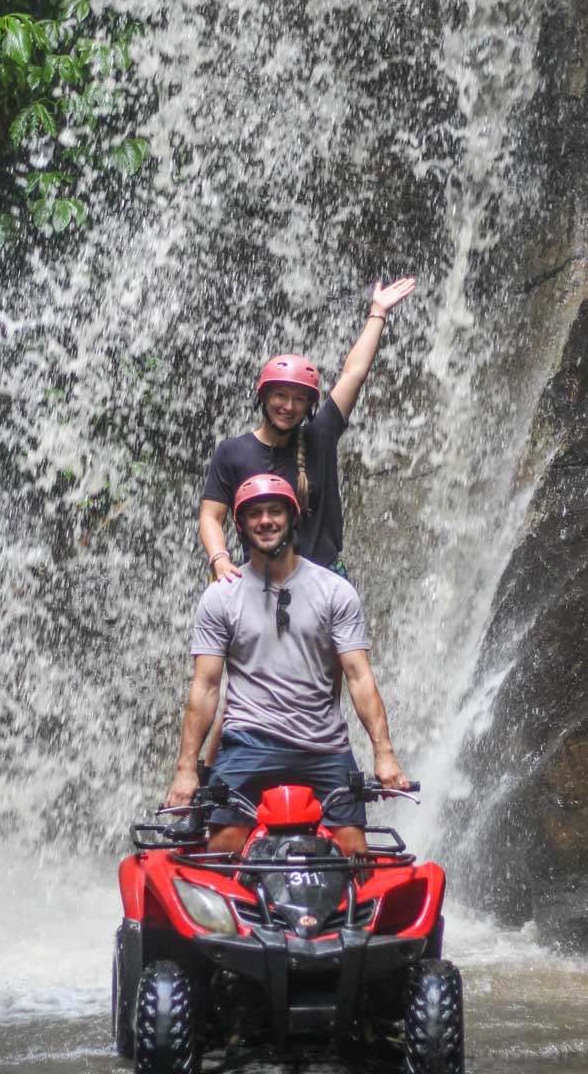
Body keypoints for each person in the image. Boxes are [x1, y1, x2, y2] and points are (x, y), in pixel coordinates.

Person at [167, 473, 409, 856]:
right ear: (241, 525)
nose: (266, 521)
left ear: (292, 518)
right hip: (249, 742)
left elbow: (359, 676)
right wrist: (186, 770)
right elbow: (206, 687)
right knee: (222, 851)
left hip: (324, 747)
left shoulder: (334, 591)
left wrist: (384, 754)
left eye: (275, 511)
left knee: (355, 855)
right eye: (255, 514)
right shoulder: (221, 597)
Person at [200, 277, 416, 583]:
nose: (288, 406)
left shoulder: (320, 435)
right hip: (262, 583)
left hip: (323, 581)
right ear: (263, 397)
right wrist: (220, 560)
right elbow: (211, 516)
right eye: (280, 396)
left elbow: (354, 373)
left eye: (299, 399)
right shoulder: (232, 452)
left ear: (309, 406)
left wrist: (377, 312)